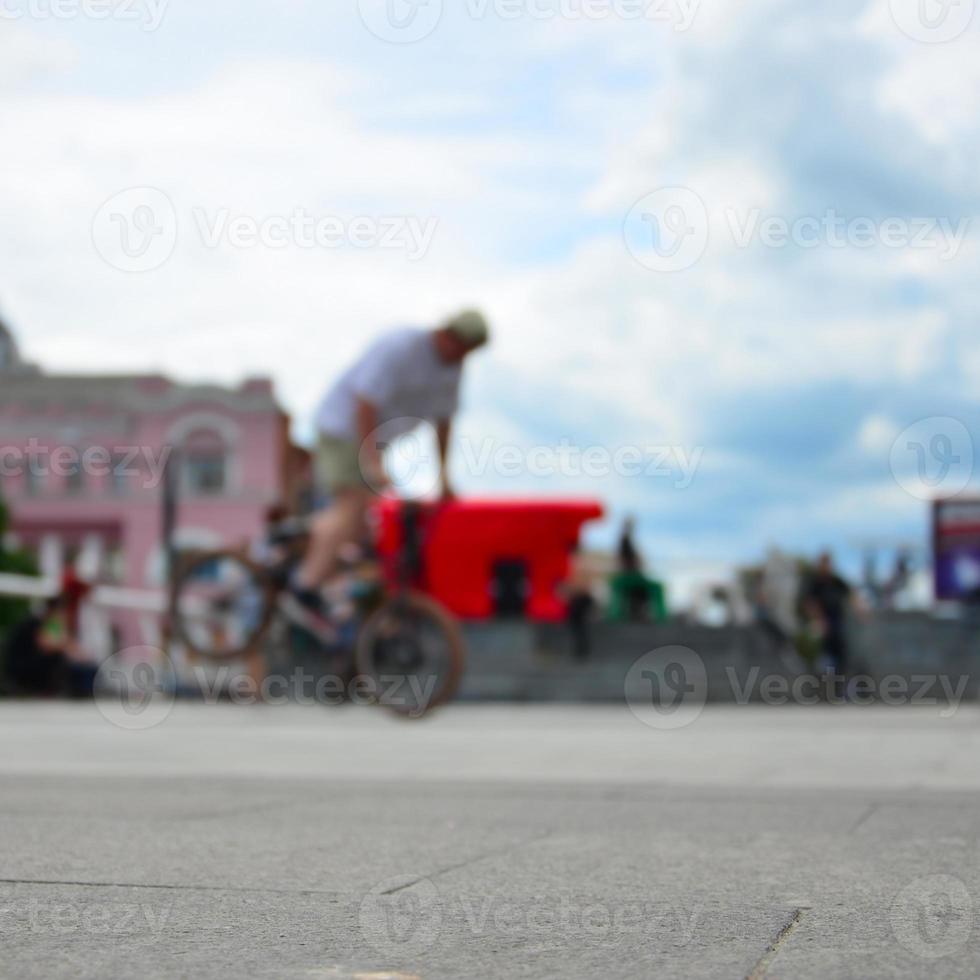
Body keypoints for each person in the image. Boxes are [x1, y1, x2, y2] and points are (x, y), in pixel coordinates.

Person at [292, 310, 491, 616]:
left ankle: (306, 541)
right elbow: (364, 403)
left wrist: (444, 478)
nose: (462, 356)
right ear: (445, 334)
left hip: (375, 441)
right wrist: (373, 460)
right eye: (460, 346)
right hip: (344, 430)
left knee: (372, 521)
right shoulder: (400, 346)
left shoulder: (452, 368)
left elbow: (443, 423)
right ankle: (304, 585)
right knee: (355, 504)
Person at [1, 597, 79, 696]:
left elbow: (60, 642)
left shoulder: (40, 622)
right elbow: (47, 646)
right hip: (19, 667)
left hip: (22, 664)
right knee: (57, 657)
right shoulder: (34, 622)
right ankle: (45, 689)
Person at [801, 552, 853, 677]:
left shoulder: (836, 581)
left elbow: (851, 594)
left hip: (836, 623)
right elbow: (808, 603)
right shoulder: (814, 583)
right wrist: (819, 619)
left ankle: (840, 683)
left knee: (841, 654)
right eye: (823, 563)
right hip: (819, 625)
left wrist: (861, 609)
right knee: (821, 654)